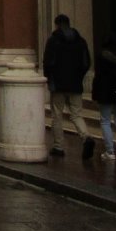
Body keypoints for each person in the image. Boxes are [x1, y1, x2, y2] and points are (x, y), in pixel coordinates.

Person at [42, 13, 94, 159]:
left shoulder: (53, 41)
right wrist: (78, 76)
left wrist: (49, 78)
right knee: (76, 114)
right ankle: (86, 136)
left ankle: (58, 146)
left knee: (57, 115)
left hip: (58, 84)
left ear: (57, 25)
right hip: (75, 84)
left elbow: (47, 62)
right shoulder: (81, 41)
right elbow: (86, 63)